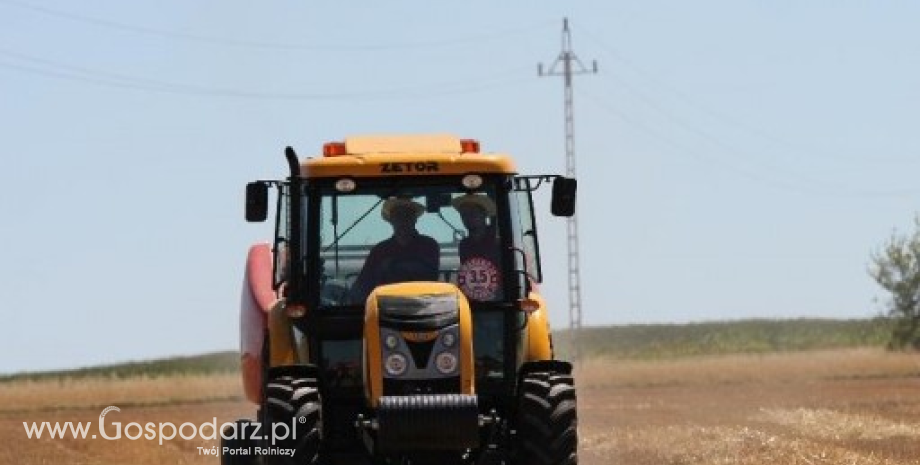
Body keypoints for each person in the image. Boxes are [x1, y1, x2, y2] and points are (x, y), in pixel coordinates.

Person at [349, 197, 440, 303]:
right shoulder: (379, 251)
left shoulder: (429, 245)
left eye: (407, 215)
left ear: (415, 219)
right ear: (391, 220)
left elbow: (431, 277)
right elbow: (363, 284)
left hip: (423, 306)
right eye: (398, 216)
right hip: (386, 309)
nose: (402, 221)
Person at [452, 194, 503, 301]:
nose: (468, 218)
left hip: (500, 300)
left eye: (473, 213)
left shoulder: (500, 240)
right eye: (464, 214)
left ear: (484, 214)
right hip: (473, 299)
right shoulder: (464, 245)